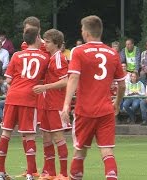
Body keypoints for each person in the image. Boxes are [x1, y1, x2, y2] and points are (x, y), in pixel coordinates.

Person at [60, 15, 126, 180]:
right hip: (106, 110)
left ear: (87, 33)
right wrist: (116, 103)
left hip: (85, 110)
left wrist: (66, 105)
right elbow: (122, 85)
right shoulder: (112, 53)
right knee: (107, 151)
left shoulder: (79, 51)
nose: (81, 32)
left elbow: (74, 77)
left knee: (80, 151)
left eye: (82, 29)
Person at [0, 27, 49, 180]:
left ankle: (0, 173)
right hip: (29, 97)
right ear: (38, 38)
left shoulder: (17, 55)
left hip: (13, 96)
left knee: (6, 133)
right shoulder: (44, 57)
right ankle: (31, 175)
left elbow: (8, 80)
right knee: (30, 136)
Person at [32, 29, 70, 180]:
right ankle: (51, 173)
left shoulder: (59, 58)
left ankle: (64, 174)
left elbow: (66, 81)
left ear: (56, 43)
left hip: (56, 104)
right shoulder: (51, 56)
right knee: (46, 138)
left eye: (48, 42)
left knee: (58, 137)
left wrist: (45, 87)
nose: (45, 44)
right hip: (47, 104)